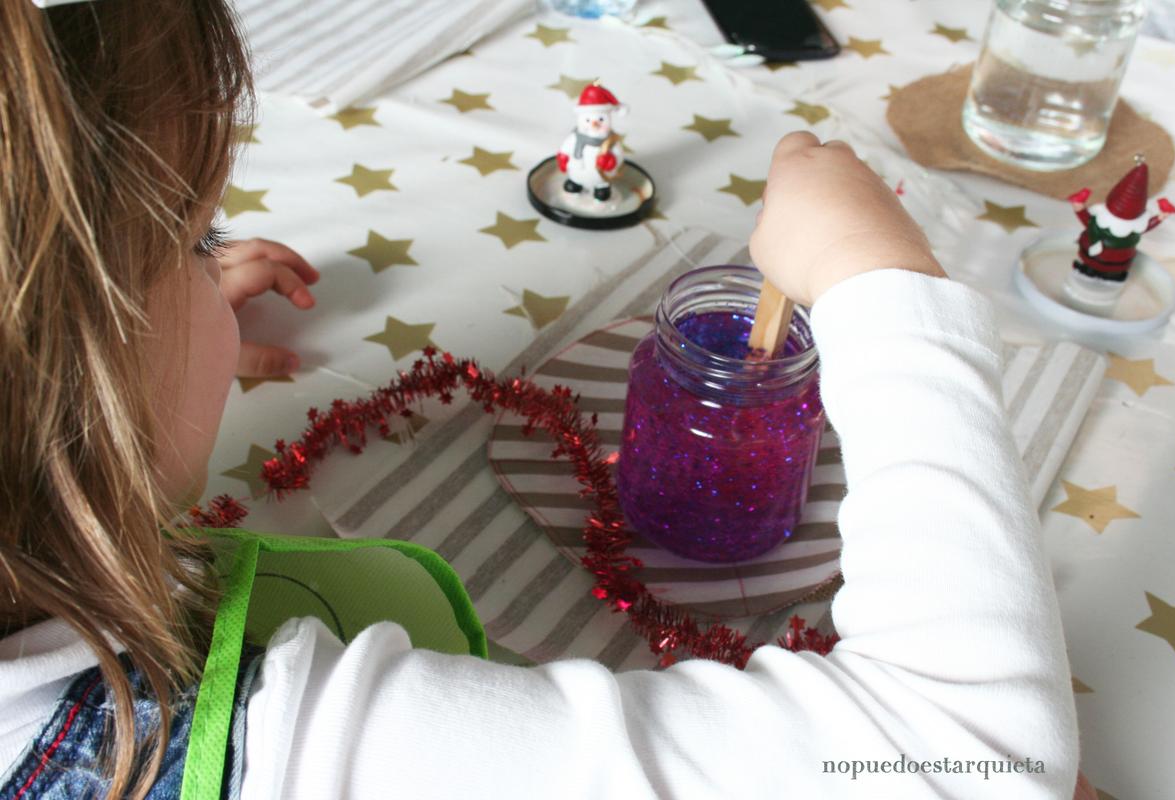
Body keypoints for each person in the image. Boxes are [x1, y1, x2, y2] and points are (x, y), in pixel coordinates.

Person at [0, 2, 1083, 798]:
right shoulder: (268, 752)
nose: (219, 259)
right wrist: (880, 282)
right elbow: (974, 748)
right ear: (64, 382)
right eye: (195, 238)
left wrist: (147, 351)